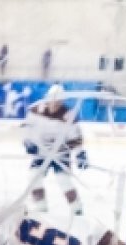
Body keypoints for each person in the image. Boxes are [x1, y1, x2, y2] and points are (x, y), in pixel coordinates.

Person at [23, 83, 89, 215]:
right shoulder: (36, 110)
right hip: (41, 153)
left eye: (58, 102)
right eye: (52, 101)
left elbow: (75, 137)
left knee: (64, 180)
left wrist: (80, 154)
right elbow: (28, 129)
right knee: (34, 177)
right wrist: (28, 142)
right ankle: (41, 205)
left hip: (60, 154)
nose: (54, 105)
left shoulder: (68, 115)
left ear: (62, 101)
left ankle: (76, 208)